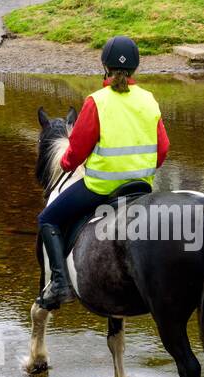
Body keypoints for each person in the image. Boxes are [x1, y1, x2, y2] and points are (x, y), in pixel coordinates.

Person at [35, 35, 169, 310]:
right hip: (141, 187)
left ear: (105, 67)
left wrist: (67, 165)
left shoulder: (97, 101)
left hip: (100, 189)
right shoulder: (148, 100)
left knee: (47, 218)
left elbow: (78, 149)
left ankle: (59, 283)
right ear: (135, 68)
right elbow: (163, 149)